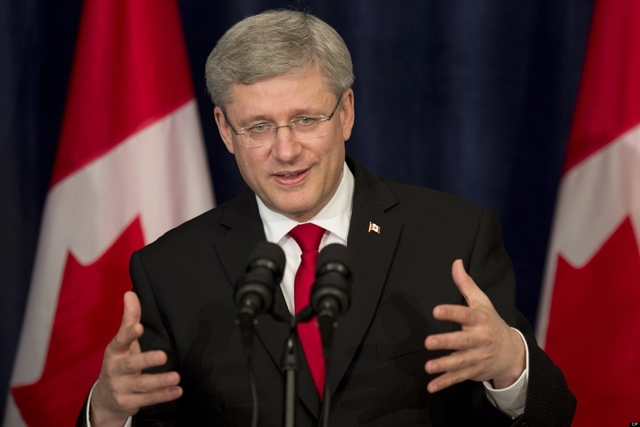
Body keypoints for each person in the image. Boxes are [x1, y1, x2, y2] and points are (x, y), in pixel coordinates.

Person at [79, 9, 576, 426]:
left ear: (346, 113)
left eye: (306, 120)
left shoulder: (452, 238)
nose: (286, 150)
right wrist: (105, 410)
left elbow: (554, 416)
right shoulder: (170, 270)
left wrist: (511, 368)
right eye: (258, 127)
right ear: (225, 131)